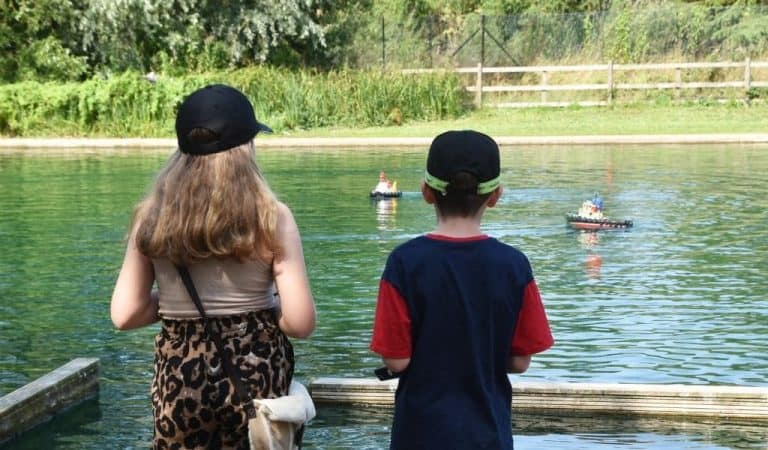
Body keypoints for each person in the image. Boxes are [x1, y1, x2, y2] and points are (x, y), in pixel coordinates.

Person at [110, 84, 316, 449]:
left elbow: (125, 314)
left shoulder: (150, 219)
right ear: (245, 147)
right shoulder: (273, 217)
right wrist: (262, 305)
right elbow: (300, 323)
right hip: (257, 379)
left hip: (180, 377)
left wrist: (175, 302)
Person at [370, 130, 554, 450]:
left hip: (419, 435)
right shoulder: (514, 266)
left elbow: (396, 361)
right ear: (495, 196)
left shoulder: (404, 263)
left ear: (427, 191)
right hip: (487, 435)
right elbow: (520, 362)